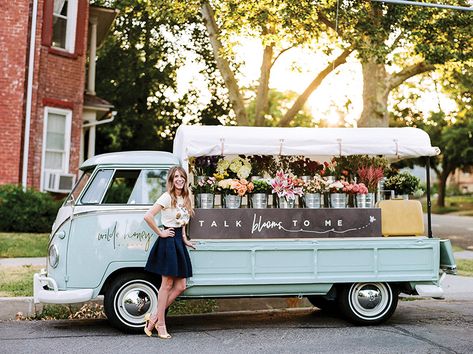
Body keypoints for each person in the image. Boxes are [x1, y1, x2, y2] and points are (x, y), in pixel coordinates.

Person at [143, 166, 195, 339]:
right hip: (168, 242)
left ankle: (154, 318)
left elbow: (183, 221)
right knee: (166, 285)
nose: (179, 179)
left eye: (182, 176)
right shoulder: (167, 197)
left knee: (181, 286)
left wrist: (185, 239)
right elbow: (148, 216)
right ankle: (161, 325)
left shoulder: (186, 197)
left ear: (185, 180)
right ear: (171, 180)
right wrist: (161, 232)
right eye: (176, 177)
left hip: (179, 242)